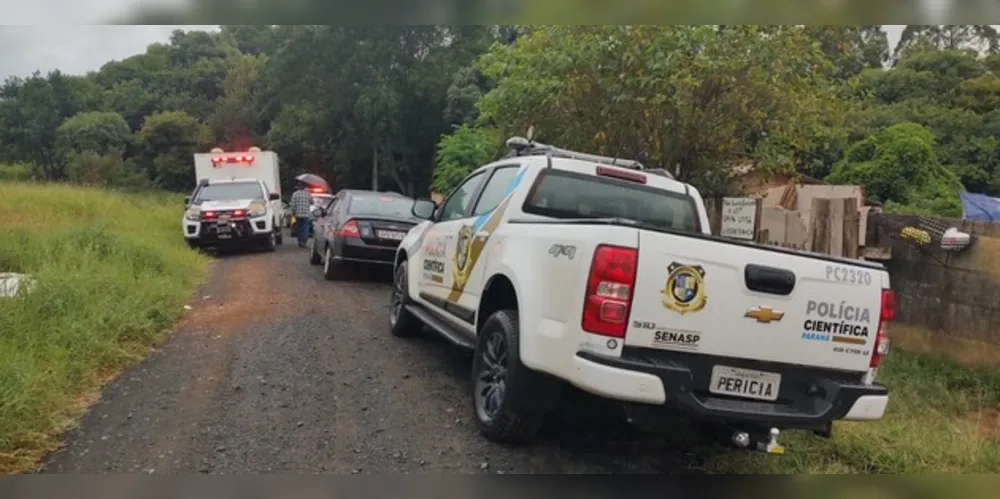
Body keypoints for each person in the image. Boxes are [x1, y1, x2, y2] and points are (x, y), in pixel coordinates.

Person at [289, 181, 313, 248]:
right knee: (305, 228)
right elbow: (312, 202)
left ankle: (300, 241)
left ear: (298, 187)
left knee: (299, 228)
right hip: (306, 214)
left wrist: (292, 213)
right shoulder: (308, 194)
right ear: (304, 187)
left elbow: (293, 205)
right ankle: (304, 241)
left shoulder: (295, 194)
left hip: (298, 214)